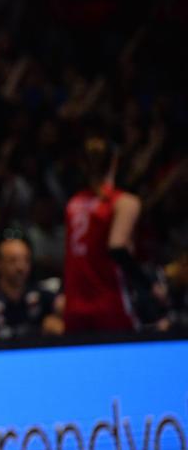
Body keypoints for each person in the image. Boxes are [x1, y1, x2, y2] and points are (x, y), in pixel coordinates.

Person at [63, 137, 162, 332]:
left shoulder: (73, 203)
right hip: (109, 302)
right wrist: (149, 286)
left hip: (74, 306)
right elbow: (117, 248)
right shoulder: (124, 202)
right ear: (115, 162)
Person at [0, 230, 64, 339]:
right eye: (13, 261)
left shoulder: (43, 298)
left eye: (26, 260)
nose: (21, 267)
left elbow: (64, 313)